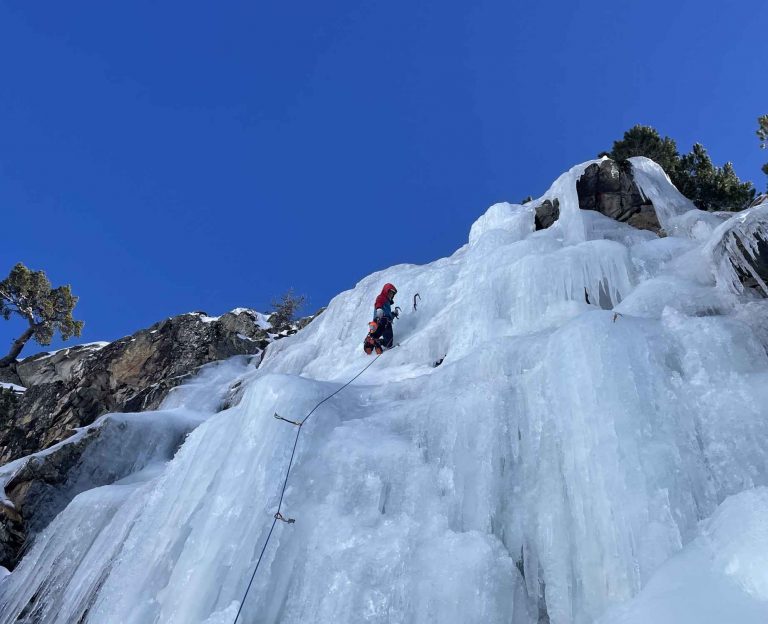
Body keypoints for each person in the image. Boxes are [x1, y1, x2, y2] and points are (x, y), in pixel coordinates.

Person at [364, 283, 398, 354]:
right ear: (386, 291)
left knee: (389, 342)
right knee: (382, 325)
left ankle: (375, 342)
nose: (391, 295)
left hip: (386, 322)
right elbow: (378, 302)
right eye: (390, 292)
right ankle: (372, 339)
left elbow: (389, 316)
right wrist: (379, 308)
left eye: (393, 294)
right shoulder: (382, 297)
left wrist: (394, 314)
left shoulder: (388, 303)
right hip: (380, 319)